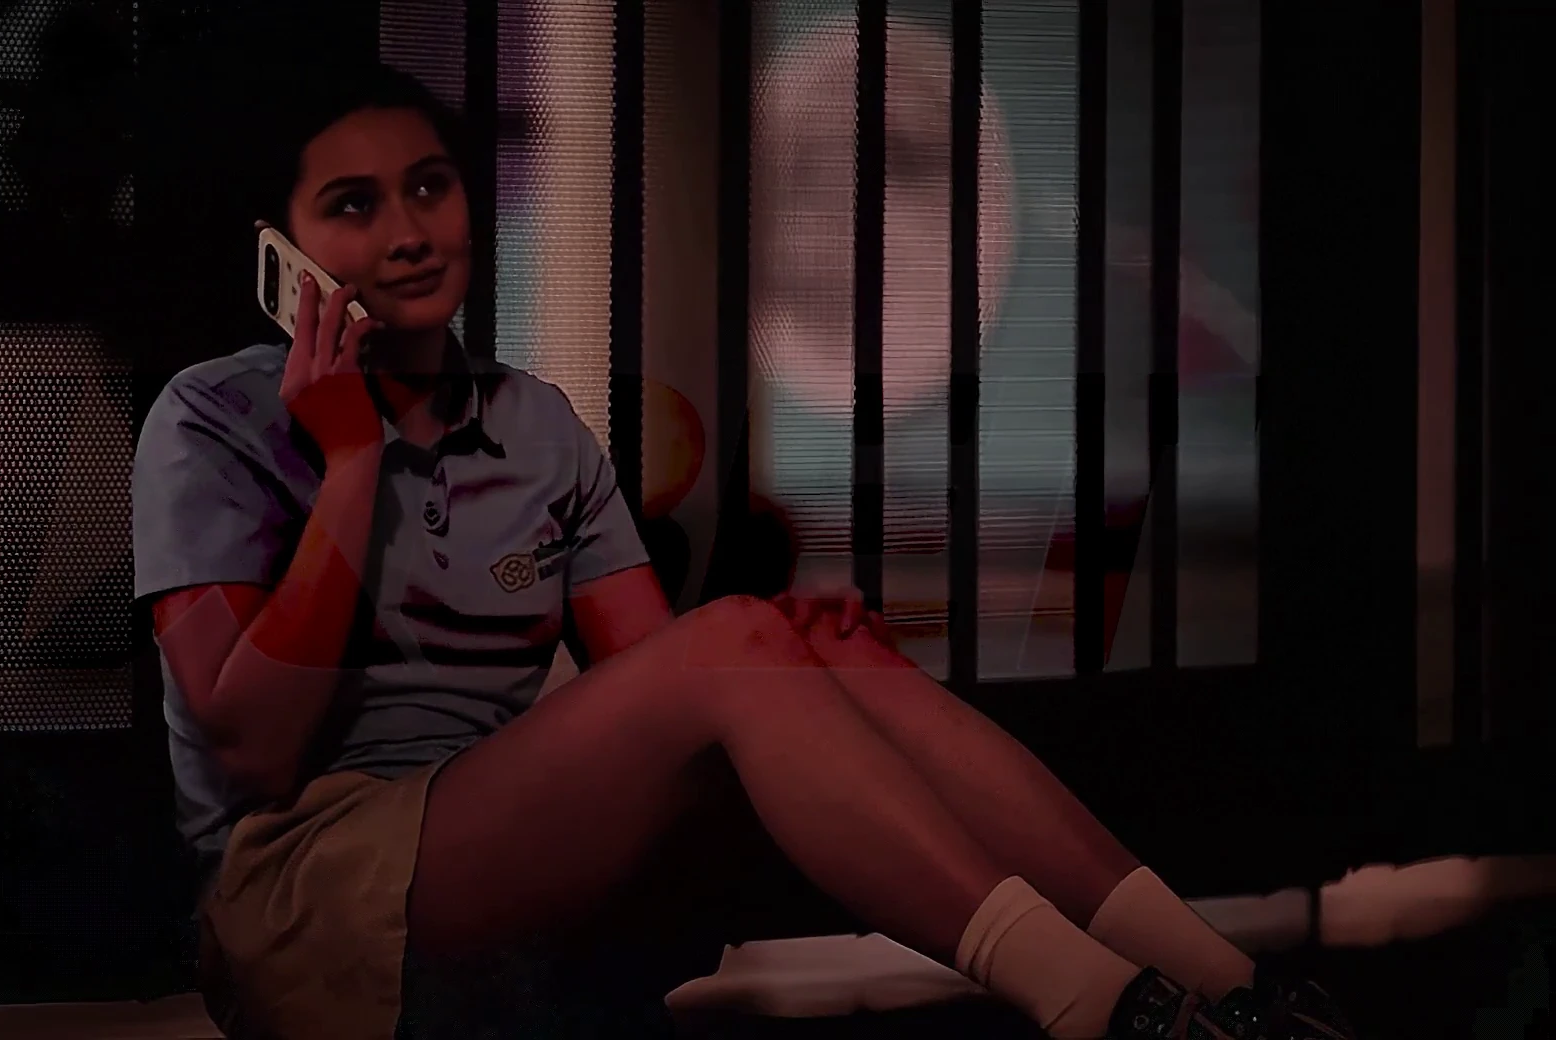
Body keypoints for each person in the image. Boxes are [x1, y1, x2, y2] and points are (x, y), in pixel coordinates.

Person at [130, 58, 1355, 1040]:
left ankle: (1232, 987)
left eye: (430, 187)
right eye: (354, 205)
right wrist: (351, 463)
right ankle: (1105, 1007)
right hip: (313, 888)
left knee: (821, 655)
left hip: (498, 835)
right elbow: (251, 747)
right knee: (747, 650)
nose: (408, 230)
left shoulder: (534, 424)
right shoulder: (211, 418)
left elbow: (657, 682)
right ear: (284, 249)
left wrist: (794, 658)